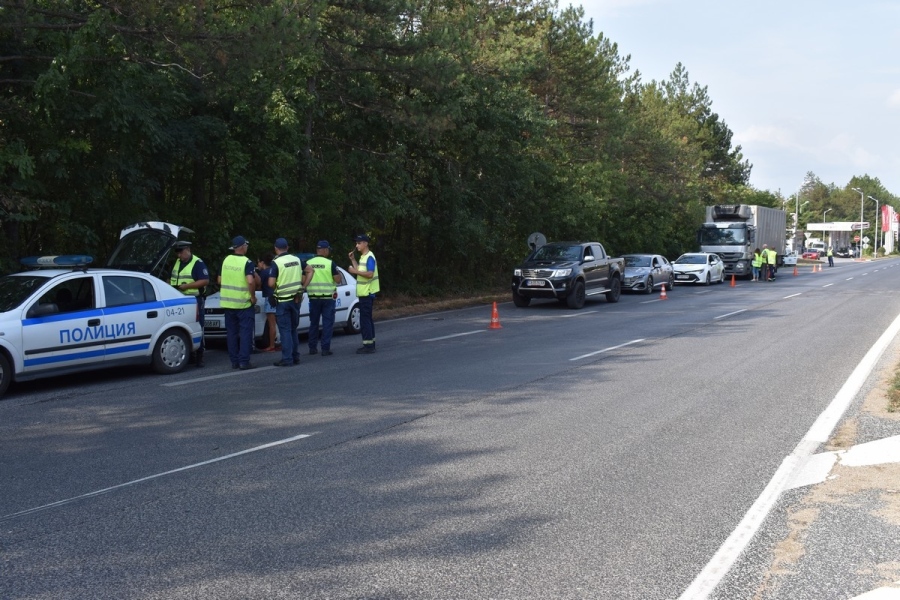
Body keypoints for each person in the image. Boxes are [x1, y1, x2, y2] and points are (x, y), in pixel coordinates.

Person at [170, 240, 210, 367]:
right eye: (177, 253)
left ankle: (200, 355)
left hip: (194, 300)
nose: (179, 256)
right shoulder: (178, 262)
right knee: (183, 327)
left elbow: (204, 281)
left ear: (187, 249)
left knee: (198, 326)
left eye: (180, 252)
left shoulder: (197, 263)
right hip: (179, 300)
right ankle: (190, 355)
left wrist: (187, 286)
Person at [220, 235, 257, 370]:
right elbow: (251, 281)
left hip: (228, 303)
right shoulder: (247, 262)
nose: (247, 248)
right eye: (246, 245)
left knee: (232, 333)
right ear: (242, 247)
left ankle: (234, 361)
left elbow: (219, 280)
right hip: (243, 303)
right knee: (246, 332)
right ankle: (244, 361)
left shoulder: (226, 260)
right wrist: (252, 296)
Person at [268, 237, 304, 367]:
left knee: (285, 330)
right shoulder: (296, 259)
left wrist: (275, 287)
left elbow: (271, 283)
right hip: (296, 299)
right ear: (287, 247)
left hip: (283, 300)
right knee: (293, 329)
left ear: (276, 249)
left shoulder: (276, 262)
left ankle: (287, 359)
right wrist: (303, 286)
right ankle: (295, 356)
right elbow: (310, 270)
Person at [303, 240, 341, 356]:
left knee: (313, 323)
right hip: (328, 299)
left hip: (313, 298)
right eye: (328, 249)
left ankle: (312, 348)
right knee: (327, 324)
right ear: (324, 250)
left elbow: (303, 280)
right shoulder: (330, 263)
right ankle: (325, 349)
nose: (328, 251)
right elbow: (338, 280)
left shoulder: (308, 263)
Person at [348, 234, 379, 354]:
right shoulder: (363, 257)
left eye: (359, 243)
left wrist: (354, 270)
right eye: (356, 243)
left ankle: (368, 346)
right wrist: (353, 260)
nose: (357, 245)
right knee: (367, 319)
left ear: (366, 243)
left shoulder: (369, 257)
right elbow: (361, 272)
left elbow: (370, 274)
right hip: (364, 293)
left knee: (365, 320)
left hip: (367, 292)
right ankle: (371, 343)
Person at [257, 253, 279, 352]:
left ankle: (271, 345)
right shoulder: (275, 270)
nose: (257, 265)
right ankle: (280, 342)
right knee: (281, 322)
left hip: (269, 299)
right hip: (278, 297)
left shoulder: (264, 273)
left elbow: (258, 285)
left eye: (258, 263)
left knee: (271, 324)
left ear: (262, 262)